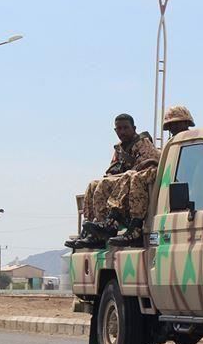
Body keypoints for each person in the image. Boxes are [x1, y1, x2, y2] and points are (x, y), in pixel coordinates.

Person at [105, 105, 195, 247]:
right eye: (171, 125)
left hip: (184, 194)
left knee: (135, 177)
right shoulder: (173, 144)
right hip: (170, 186)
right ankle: (107, 223)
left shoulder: (192, 143)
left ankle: (135, 226)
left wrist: (151, 162)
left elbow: (164, 166)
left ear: (186, 123)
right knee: (106, 182)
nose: (174, 128)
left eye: (177, 124)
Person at [65, 114, 158, 249]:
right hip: (126, 178)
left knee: (122, 178)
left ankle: (111, 222)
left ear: (134, 128)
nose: (122, 132)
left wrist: (124, 174)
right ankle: (92, 230)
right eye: (119, 129)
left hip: (141, 178)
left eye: (125, 128)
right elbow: (113, 169)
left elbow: (150, 164)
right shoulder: (120, 149)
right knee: (94, 184)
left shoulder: (142, 143)